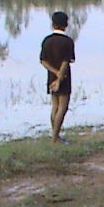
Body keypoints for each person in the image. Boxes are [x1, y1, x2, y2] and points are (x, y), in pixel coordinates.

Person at [40, 11, 75, 143]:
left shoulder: (47, 41)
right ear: (66, 25)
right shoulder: (67, 42)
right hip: (64, 77)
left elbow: (43, 61)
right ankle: (55, 138)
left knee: (55, 106)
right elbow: (66, 61)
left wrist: (54, 73)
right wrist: (60, 77)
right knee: (63, 107)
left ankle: (55, 136)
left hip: (50, 76)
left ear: (53, 24)